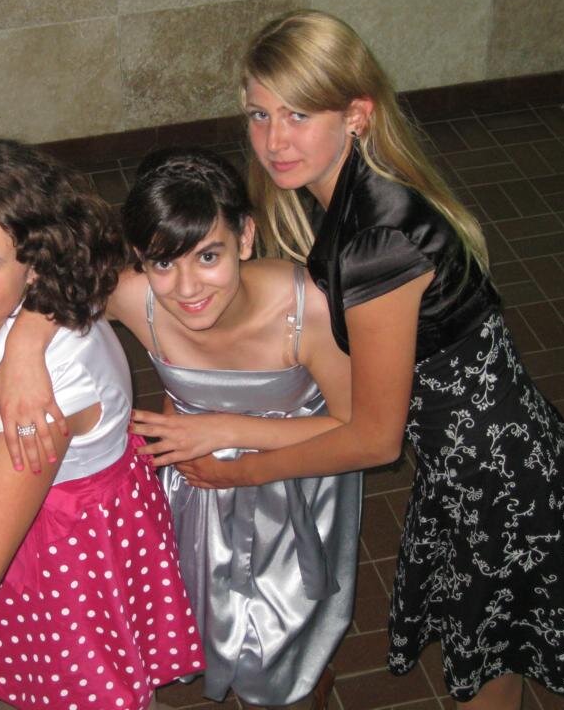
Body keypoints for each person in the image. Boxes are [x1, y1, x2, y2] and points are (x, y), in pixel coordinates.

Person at [176, 9, 564, 707]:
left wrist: (242, 471)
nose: (274, 140)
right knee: (489, 663)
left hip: (498, 483)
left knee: (488, 676)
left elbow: (374, 438)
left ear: (356, 115)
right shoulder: (346, 195)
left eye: (299, 114)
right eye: (259, 114)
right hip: (484, 461)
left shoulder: (377, 245)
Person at [0, 140, 203, 710]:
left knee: (84, 688)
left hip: (63, 567)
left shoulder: (44, 397)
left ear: (36, 267)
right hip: (37, 527)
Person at [103, 147, 360, 708]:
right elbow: (48, 301)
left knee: (282, 631)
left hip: (295, 484)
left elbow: (352, 425)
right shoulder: (134, 297)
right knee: (206, 608)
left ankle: (301, 677)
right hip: (194, 489)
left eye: (208, 256)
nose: (187, 288)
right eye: (162, 264)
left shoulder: (307, 306)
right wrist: (24, 354)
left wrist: (223, 429)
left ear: (245, 237)